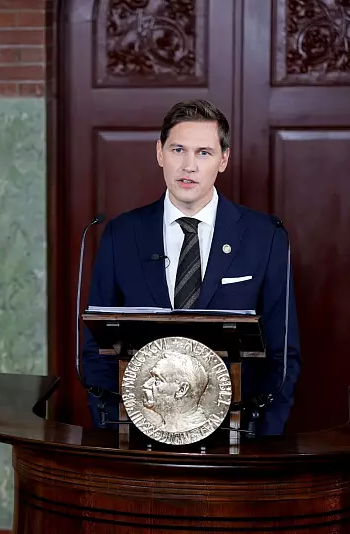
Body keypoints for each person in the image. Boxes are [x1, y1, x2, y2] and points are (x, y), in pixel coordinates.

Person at [82, 99, 301, 436]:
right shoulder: (121, 234)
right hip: (137, 435)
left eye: (203, 153)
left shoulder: (265, 236)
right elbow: (96, 347)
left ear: (223, 159)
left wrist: (261, 436)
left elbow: (283, 354)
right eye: (178, 150)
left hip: (237, 436)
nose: (189, 166)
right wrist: (117, 427)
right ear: (160, 153)